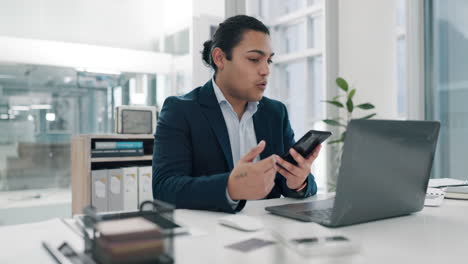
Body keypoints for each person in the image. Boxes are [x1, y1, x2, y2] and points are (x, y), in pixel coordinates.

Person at [152, 15, 322, 213]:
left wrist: (299, 181)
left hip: (269, 233)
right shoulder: (180, 110)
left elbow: (292, 185)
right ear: (220, 58)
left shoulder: (276, 113)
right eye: (254, 59)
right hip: (210, 235)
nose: (265, 70)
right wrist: (230, 187)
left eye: (269, 60)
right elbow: (164, 188)